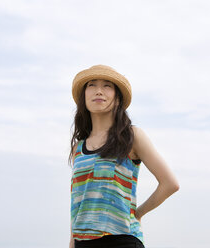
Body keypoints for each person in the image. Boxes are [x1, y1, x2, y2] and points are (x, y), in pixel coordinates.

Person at [69, 65, 179, 248]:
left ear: (118, 98)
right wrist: (72, 243)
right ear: (84, 97)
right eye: (91, 85)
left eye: (107, 86)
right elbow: (77, 200)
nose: (98, 91)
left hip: (121, 240)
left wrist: (137, 213)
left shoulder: (131, 136)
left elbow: (170, 184)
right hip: (82, 242)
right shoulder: (78, 149)